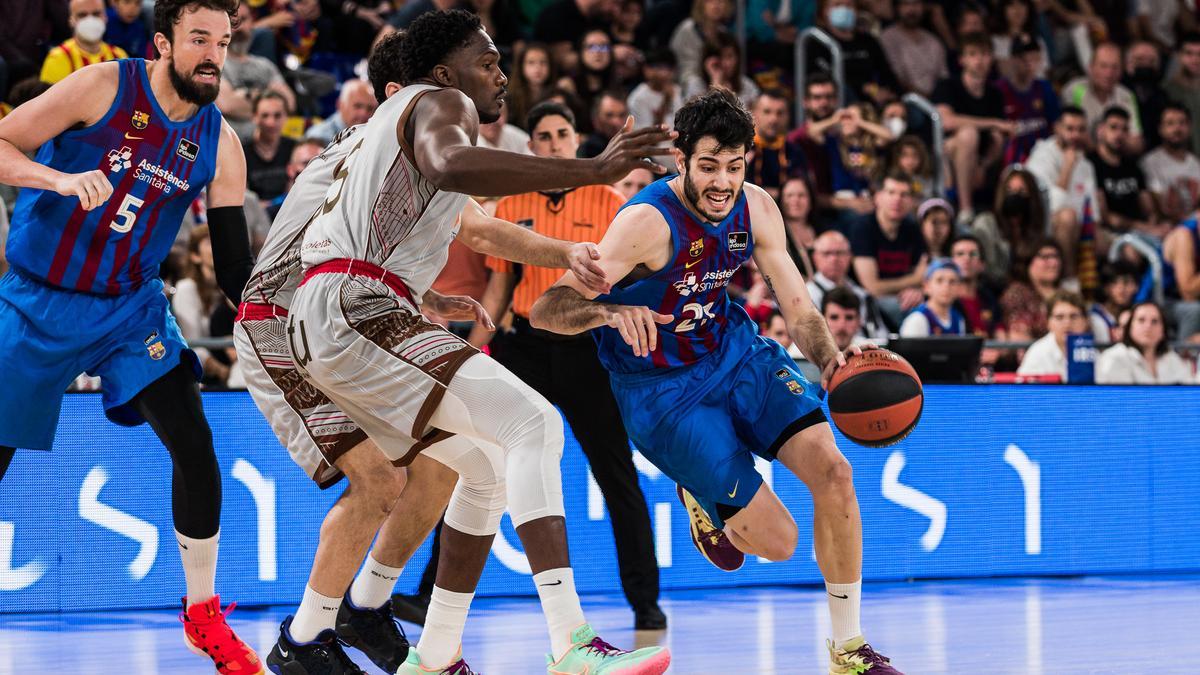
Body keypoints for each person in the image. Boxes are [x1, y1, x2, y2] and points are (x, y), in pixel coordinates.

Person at [284, 10, 674, 675]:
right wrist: (589, 169)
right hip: (353, 308)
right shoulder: (439, 105)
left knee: (485, 467)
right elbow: (451, 162)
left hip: (337, 311)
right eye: (487, 62)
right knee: (532, 423)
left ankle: (433, 653)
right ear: (444, 73)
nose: (501, 74)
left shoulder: (390, 128)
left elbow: (483, 228)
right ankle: (570, 641)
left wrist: (564, 251)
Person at [529, 88, 904, 674]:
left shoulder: (755, 207)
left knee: (835, 470)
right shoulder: (644, 224)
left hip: (735, 353)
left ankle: (848, 648)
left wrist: (831, 362)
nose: (722, 182)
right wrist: (606, 312)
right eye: (708, 166)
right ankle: (700, 495)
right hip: (662, 393)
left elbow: (798, 304)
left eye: (734, 166)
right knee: (778, 544)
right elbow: (547, 310)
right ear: (680, 159)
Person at [0, 2, 262, 673]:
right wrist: (56, 177)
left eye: (224, 42)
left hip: (128, 312)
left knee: (195, 442)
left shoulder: (219, 144)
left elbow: (234, 270)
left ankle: (202, 615)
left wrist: (288, 313)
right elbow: (4, 143)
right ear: (162, 42)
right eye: (199, 39)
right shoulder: (104, 86)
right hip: (38, 301)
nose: (213, 54)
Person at [465, 100, 665, 631]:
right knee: (481, 466)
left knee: (615, 473)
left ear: (576, 140)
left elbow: (634, 278)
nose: (554, 143)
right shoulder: (510, 203)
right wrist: (472, 350)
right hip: (523, 345)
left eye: (562, 133)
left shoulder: (610, 200)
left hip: (586, 346)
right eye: (544, 137)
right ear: (530, 147)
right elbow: (500, 285)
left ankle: (646, 602)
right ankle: (424, 593)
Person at [933, 31, 1014, 223]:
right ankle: (965, 209)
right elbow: (946, 121)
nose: (979, 60)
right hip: (946, 153)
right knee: (969, 134)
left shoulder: (994, 93)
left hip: (981, 159)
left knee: (997, 137)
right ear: (962, 60)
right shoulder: (948, 85)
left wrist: (982, 165)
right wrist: (992, 122)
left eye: (985, 54)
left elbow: (1001, 132)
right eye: (973, 54)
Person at [1024, 106, 1099, 286]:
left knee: (1112, 242)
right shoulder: (1042, 156)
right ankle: (1068, 281)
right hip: (1043, 226)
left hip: (1080, 228)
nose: (1075, 135)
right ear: (1057, 128)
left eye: (1081, 130)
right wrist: (1067, 167)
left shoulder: (1086, 164)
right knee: (1067, 217)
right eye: (1070, 129)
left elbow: (1093, 212)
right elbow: (1050, 206)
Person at [850, 171, 926, 324]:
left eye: (904, 194)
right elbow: (872, 287)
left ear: (911, 201)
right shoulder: (863, 228)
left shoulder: (912, 228)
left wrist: (917, 290)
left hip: (902, 297)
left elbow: (925, 277)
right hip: (868, 303)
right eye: (891, 192)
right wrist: (914, 280)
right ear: (878, 197)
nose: (897, 199)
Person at [1090, 106, 1160, 241]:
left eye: (1124, 129)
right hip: (1111, 234)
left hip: (1140, 231)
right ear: (1101, 130)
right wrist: (1144, 228)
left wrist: (1153, 224)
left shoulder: (1132, 165)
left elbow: (1149, 208)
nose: (1119, 134)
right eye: (1113, 127)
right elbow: (1106, 217)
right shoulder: (1092, 165)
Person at [1063, 43, 1145, 154]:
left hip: (1116, 158)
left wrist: (1116, 139)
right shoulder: (1074, 90)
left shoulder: (1126, 96)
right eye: (1103, 66)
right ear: (1091, 68)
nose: (1109, 73)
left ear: (1121, 71)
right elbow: (1071, 136)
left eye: (1115, 67)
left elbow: (1137, 144)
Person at [807, 230, 886, 340]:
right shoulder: (805, 295)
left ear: (850, 256)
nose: (834, 259)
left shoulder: (862, 294)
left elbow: (880, 335)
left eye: (840, 253)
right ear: (815, 258)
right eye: (827, 253)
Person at [995, 34, 1060, 166]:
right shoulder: (998, 90)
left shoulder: (1044, 87)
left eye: (1035, 58)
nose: (1030, 64)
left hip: (1044, 158)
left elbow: (1056, 125)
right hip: (1010, 160)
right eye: (1024, 59)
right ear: (1013, 60)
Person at [1096, 301, 1194, 384]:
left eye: (1154, 321)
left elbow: (1189, 393)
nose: (1148, 326)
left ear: (1163, 330)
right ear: (1130, 326)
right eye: (1141, 320)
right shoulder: (1113, 357)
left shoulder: (1170, 357)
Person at [41, 0, 129, 85]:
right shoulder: (58, 58)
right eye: (82, 15)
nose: (90, 20)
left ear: (105, 17)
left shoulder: (119, 56)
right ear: (71, 20)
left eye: (96, 14)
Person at [1141, 104, 1200, 225]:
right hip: (1168, 229)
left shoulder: (1195, 163)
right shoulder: (1150, 162)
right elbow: (1162, 208)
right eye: (1170, 123)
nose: (1177, 128)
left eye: (1182, 123)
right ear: (1160, 129)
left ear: (1189, 128)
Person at [747, 90, 810, 201]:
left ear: (788, 116)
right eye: (767, 112)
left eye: (780, 113)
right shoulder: (741, 149)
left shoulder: (795, 152)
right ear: (753, 114)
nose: (774, 119)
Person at [1000, 240, 1066, 342]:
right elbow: (1018, 336)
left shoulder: (1066, 294)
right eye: (1045, 257)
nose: (1054, 263)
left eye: (1056, 257)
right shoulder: (1017, 293)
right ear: (1028, 261)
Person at [878, 0, 947, 97]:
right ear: (897, 8)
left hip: (936, 101)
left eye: (916, 4)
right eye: (906, 4)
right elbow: (895, 78)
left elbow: (943, 77)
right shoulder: (888, 37)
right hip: (904, 100)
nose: (911, 9)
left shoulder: (933, 40)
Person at [1016, 290, 1090, 380]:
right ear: (1048, 322)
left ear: (1086, 321)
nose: (1067, 323)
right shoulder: (1037, 353)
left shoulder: (1091, 352)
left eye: (1073, 316)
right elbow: (1024, 391)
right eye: (1059, 317)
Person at [243, 90, 294, 203]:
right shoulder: (241, 152)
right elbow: (242, 199)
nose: (271, 122)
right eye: (265, 115)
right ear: (254, 117)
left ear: (286, 116)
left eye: (277, 115)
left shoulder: (295, 149)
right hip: (255, 216)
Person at [950, 235, 1002, 338]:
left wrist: (1000, 351)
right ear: (950, 262)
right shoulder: (944, 300)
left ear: (982, 265)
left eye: (973, 254)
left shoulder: (989, 298)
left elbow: (1000, 333)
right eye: (960, 254)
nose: (966, 259)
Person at [899, 259, 967, 336]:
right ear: (926, 286)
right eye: (939, 280)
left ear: (959, 288)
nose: (946, 286)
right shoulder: (917, 319)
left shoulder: (958, 319)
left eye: (952, 281)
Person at [1161, 213, 1200, 341]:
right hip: (1161, 301)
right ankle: (1184, 356)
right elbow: (1187, 292)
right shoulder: (1184, 235)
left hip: (1186, 299)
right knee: (1193, 311)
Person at [304, 78, 377, 144]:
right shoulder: (318, 137)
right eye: (357, 106)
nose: (364, 113)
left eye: (370, 108)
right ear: (340, 105)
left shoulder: (374, 134)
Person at [1164, 32, 1200, 155]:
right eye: (1189, 53)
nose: (1195, 59)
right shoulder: (1166, 91)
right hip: (1180, 163)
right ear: (1179, 56)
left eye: (1199, 54)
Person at [1090, 261, 1139, 343]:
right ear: (1105, 288)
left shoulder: (1140, 317)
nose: (1121, 289)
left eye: (1126, 282)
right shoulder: (1092, 318)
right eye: (1114, 282)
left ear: (1136, 287)